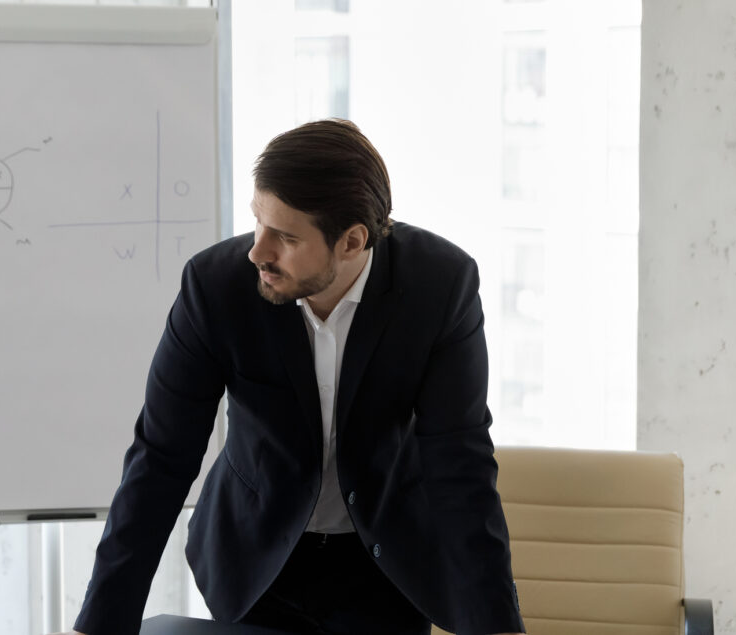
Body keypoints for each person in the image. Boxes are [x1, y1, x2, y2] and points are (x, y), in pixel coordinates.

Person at [59, 120, 524, 635]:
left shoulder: (440, 286)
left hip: (388, 560)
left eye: (284, 236)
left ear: (352, 241)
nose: (258, 251)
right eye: (259, 222)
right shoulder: (215, 287)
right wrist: (99, 623)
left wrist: (496, 626)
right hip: (255, 555)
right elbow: (161, 458)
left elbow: (459, 464)